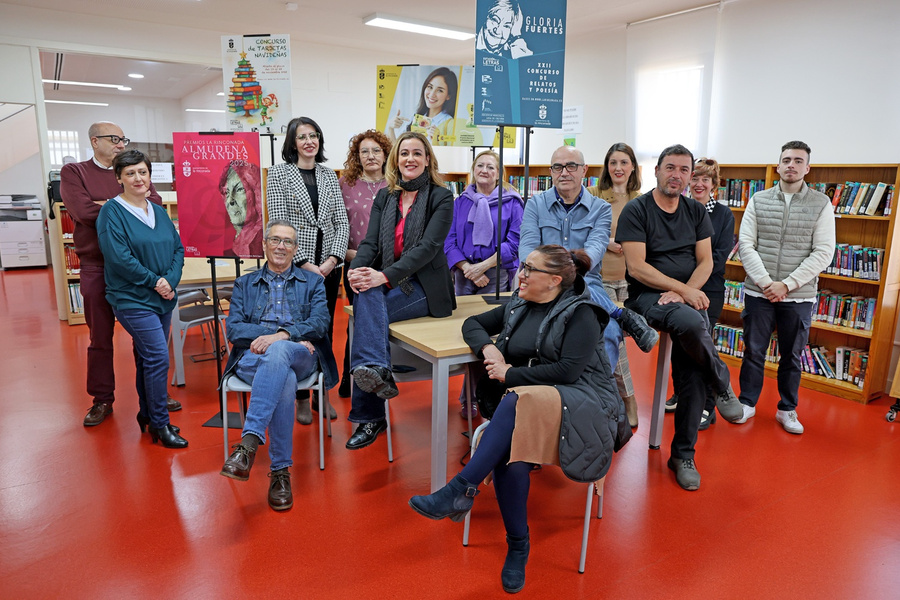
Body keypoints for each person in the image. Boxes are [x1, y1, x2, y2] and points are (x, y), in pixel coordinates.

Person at [409, 245, 627, 594]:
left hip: (581, 403)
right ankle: (518, 544)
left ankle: (461, 490)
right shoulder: (520, 303)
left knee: (515, 401)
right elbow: (472, 323)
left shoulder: (581, 313)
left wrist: (509, 374)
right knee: (511, 449)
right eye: (523, 266)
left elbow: (568, 372)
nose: (520, 274)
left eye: (529, 269)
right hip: (529, 403)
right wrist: (489, 349)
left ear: (554, 280)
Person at [616, 144, 743, 491]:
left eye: (684, 170)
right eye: (670, 168)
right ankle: (722, 382)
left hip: (685, 296)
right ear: (657, 170)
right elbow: (637, 267)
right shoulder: (637, 210)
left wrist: (686, 291)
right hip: (647, 297)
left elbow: (706, 261)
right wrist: (682, 290)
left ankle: (683, 455)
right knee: (691, 322)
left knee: (692, 370)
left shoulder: (696, 211)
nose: (677, 175)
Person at [60, 121, 180, 426]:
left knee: (147, 338)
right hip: (97, 266)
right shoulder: (75, 172)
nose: (120, 144)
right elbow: (83, 212)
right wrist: (119, 207)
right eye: (114, 138)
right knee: (100, 336)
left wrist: (115, 205)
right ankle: (102, 399)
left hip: (141, 267)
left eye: (123, 138)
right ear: (94, 141)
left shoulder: (132, 168)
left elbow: (152, 203)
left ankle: (153, 395)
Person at [345, 131, 455, 450]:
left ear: (427, 160)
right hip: (391, 280)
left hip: (425, 287)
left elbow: (427, 248)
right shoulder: (386, 196)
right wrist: (356, 270)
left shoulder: (441, 197)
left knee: (365, 311)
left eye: (417, 153)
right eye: (404, 153)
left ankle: (370, 418)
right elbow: (370, 243)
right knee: (366, 296)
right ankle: (380, 371)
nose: (410, 159)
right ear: (396, 159)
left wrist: (382, 277)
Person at [219, 219, 338, 511]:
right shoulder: (245, 283)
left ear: (296, 248)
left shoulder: (313, 282)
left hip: (300, 356)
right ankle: (280, 472)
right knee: (283, 374)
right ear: (264, 244)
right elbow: (234, 330)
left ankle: (248, 445)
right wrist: (277, 337)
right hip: (254, 357)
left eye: (287, 242)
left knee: (281, 351)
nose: (281, 246)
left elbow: (320, 323)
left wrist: (283, 336)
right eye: (275, 240)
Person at [518, 146, 659, 377]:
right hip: (542, 284)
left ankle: (600, 390)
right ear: (551, 172)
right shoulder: (535, 204)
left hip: (587, 285)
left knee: (610, 331)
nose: (564, 172)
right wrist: (551, 272)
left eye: (571, 166)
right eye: (557, 167)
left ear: (584, 170)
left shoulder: (600, 209)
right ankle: (620, 314)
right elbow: (526, 250)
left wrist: (559, 269)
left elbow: (594, 252)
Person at [734, 141, 835, 434]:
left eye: (798, 161)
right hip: (760, 292)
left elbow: (823, 252)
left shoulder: (821, 204)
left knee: (791, 356)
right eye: (787, 160)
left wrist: (787, 285)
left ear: (807, 168)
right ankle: (747, 402)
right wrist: (767, 284)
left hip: (798, 296)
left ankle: (787, 409)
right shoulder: (758, 200)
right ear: (778, 165)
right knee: (753, 351)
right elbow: (746, 245)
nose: (791, 165)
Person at [96, 150, 186, 448]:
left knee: (145, 358)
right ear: (119, 178)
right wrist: (156, 281)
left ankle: (147, 415)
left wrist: (170, 280)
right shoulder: (112, 212)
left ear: (150, 175)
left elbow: (177, 249)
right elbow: (118, 258)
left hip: (163, 297)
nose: (138, 178)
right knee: (158, 357)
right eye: (130, 173)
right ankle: (160, 423)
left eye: (142, 172)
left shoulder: (158, 211)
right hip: (132, 298)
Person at [267, 116, 349, 425]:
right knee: (297, 330)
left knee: (324, 330)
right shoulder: (279, 174)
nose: (309, 141)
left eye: (313, 135)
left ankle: (321, 393)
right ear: (292, 142)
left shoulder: (329, 174)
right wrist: (305, 263)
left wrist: (331, 261)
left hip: (328, 268)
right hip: (294, 266)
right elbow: (279, 224)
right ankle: (301, 395)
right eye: (302, 137)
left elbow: (341, 222)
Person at [445, 150, 524, 418]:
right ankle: (469, 396)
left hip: (496, 276)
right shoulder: (460, 202)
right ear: (473, 169)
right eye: (480, 165)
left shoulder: (512, 202)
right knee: (466, 336)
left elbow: (515, 242)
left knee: (489, 340)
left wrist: (484, 266)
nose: (485, 170)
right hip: (463, 275)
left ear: (499, 173)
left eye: (491, 167)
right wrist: (468, 268)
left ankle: (482, 396)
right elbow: (449, 240)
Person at [664, 158, 735, 431]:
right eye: (695, 178)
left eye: (706, 179)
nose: (699, 184)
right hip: (679, 289)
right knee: (677, 346)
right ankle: (680, 394)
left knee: (702, 348)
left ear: (714, 184)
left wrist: (691, 280)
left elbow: (718, 256)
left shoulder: (723, 215)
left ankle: (707, 405)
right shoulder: (677, 208)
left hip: (709, 291)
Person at [587, 142, 642, 428]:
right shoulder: (594, 195)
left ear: (633, 167)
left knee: (614, 338)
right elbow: (582, 231)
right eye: (613, 163)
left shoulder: (641, 200)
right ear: (606, 167)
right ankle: (627, 399)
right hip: (601, 279)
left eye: (624, 162)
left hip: (632, 280)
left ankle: (605, 397)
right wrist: (607, 242)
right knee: (613, 335)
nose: (618, 168)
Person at [336, 129, 393, 399]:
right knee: (358, 321)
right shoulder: (344, 184)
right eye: (364, 151)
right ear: (357, 157)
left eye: (376, 151)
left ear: (385, 155)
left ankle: (381, 372)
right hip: (355, 263)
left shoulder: (396, 184)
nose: (371, 156)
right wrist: (350, 256)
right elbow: (337, 225)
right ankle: (351, 377)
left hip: (389, 267)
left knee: (381, 320)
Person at [387, 67, 458, 145]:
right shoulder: (415, 118)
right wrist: (390, 128)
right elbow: (397, 149)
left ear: (448, 96)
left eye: (440, 90)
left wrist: (436, 141)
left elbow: (451, 151)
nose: (432, 94)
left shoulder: (450, 124)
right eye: (430, 87)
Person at [218, 160, 264, 257]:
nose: (230, 200)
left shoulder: (263, 242)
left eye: (239, 189)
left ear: (257, 193)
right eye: (226, 192)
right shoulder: (229, 249)